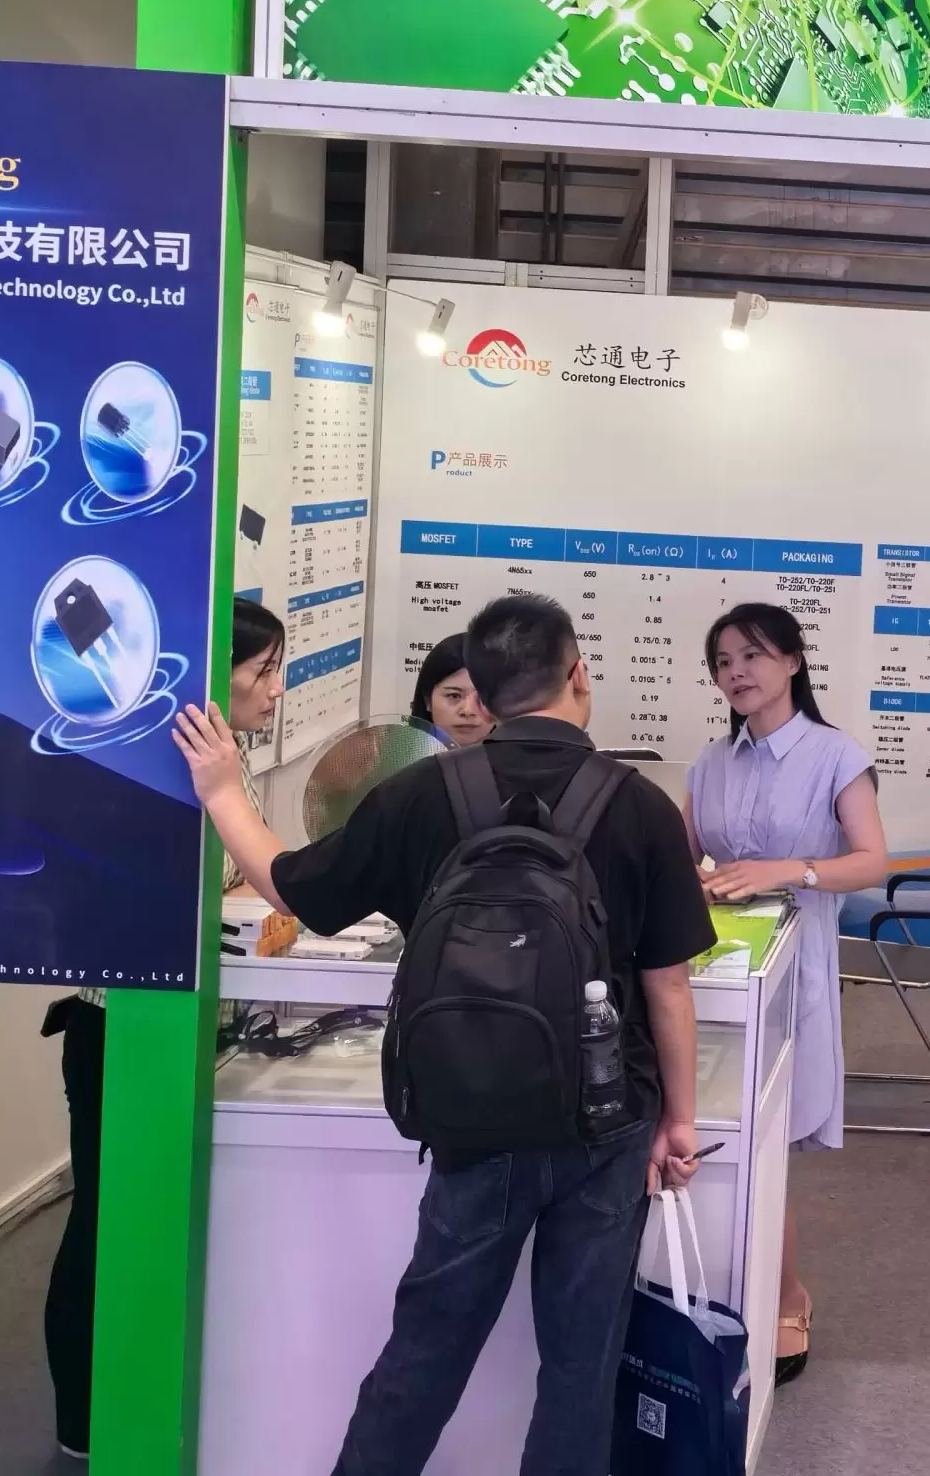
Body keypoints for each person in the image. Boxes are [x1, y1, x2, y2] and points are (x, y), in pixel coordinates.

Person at [173, 593, 715, 1476]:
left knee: (427, 1346)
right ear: (579, 676)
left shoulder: (421, 794)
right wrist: (679, 1122)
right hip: (608, 1119)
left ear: (484, 697)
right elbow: (669, 988)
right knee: (581, 1362)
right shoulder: (639, 806)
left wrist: (223, 790)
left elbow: (293, 888)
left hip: (471, 1114)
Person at [46, 598, 283, 1459]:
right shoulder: (158, 763)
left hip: (177, 1027)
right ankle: (81, 1421)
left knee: (145, 1216)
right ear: (218, 673)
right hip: (119, 1030)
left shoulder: (220, 762)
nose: (275, 690)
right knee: (103, 1218)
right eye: (263, 671)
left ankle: (138, 1399)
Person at [682, 602, 889, 1384]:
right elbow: (680, 855)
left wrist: (787, 870)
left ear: (794, 662)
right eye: (723, 661)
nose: (736, 672)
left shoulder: (836, 755)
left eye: (753, 655)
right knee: (713, 1132)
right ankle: (718, 1289)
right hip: (713, 970)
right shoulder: (711, 762)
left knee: (768, 1140)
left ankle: (787, 1294)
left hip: (792, 970)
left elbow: (871, 861)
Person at [408, 632, 493, 746]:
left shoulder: (518, 757)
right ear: (428, 700)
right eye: (454, 696)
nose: (468, 711)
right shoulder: (396, 755)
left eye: (481, 698)